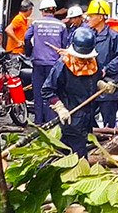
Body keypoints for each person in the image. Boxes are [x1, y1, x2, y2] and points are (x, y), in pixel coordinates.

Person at [42, 27, 100, 157]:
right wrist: (59, 107)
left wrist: (102, 85)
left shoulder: (94, 64)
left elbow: (96, 79)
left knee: (81, 153)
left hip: (87, 118)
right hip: (68, 120)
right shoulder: (62, 66)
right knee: (71, 157)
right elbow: (47, 90)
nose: (84, 61)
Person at [24, 0, 67, 124]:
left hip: (38, 63)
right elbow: (64, 45)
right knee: (52, 93)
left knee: (38, 94)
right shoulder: (61, 25)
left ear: (42, 11)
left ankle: (38, 122)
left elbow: (27, 37)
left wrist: (29, 52)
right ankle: (50, 122)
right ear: (54, 10)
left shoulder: (36, 23)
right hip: (55, 65)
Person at [86, 0, 118, 128]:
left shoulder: (114, 36)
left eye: (91, 16)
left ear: (100, 17)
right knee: (88, 118)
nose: (89, 19)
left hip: (109, 86)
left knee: (108, 122)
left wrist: (106, 69)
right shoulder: (88, 36)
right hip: (91, 86)